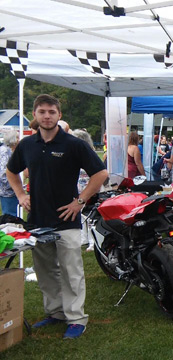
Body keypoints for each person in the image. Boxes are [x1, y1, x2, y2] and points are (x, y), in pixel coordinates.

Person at [6, 94, 108, 339]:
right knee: (46, 271)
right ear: (35, 115)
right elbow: (11, 171)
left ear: (59, 115)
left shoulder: (73, 144)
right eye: (42, 111)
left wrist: (79, 201)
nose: (47, 116)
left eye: (52, 111)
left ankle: (76, 318)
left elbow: (100, 173)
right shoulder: (27, 145)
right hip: (38, 220)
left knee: (71, 271)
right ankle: (55, 313)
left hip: (66, 220)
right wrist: (20, 194)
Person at [0, 130, 20, 216]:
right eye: (18, 137)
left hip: (11, 191)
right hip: (7, 192)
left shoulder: (10, 151)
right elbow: (3, 173)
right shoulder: (5, 152)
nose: (19, 140)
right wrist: (13, 186)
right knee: (10, 216)